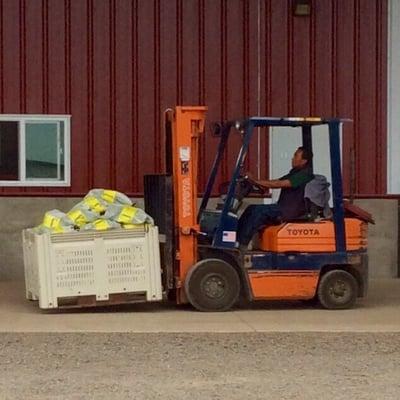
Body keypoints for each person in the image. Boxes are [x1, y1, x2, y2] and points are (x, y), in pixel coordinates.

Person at [237, 146, 314, 247]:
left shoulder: (305, 175)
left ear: (304, 161)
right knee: (251, 208)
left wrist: (255, 180)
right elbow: (275, 182)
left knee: (259, 211)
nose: (292, 158)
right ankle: (236, 238)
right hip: (283, 208)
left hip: (288, 211)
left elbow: (279, 184)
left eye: (296, 156)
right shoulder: (295, 173)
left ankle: (242, 244)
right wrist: (257, 183)